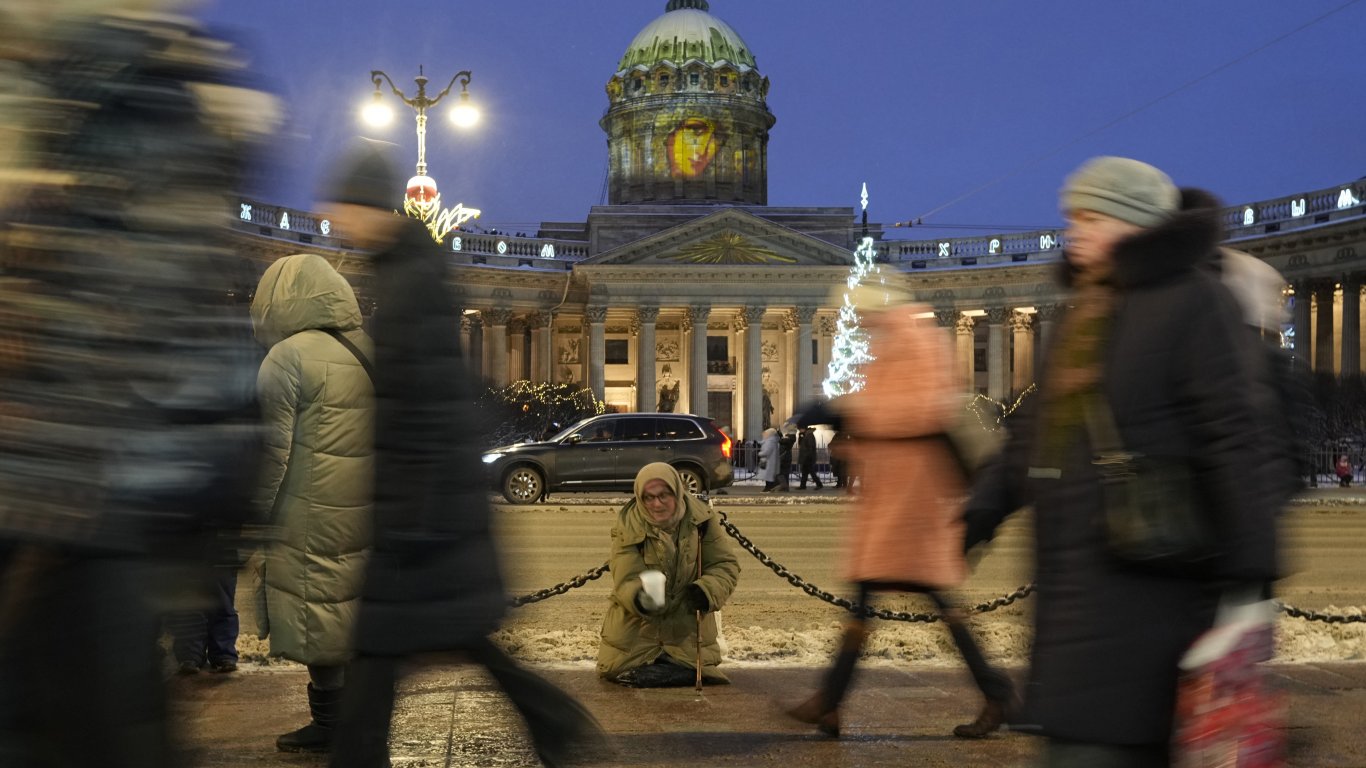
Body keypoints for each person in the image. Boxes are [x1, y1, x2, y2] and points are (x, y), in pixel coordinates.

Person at [0, 5, 274, 766]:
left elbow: (155, 328)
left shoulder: (131, 101)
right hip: (84, 518)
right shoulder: (156, 95)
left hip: (78, 520)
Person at [962, 157, 1281, 766]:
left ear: (1134, 224)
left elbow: (1237, 439)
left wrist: (1249, 585)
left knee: (1102, 744)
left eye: (1090, 217)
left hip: (1151, 584)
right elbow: (1036, 427)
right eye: (1070, 216)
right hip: (1079, 586)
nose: (1071, 231)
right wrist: (983, 506)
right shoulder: (1084, 310)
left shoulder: (1196, 301)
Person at [318, 140, 603, 768]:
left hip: (422, 509)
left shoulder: (409, 279)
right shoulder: (411, 270)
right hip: (429, 503)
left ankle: (549, 721)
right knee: (451, 639)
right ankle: (552, 722)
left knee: (387, 645)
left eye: (342, 207)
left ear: (369, 206)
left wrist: (406, 510)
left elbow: (423, 403)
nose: (336, 222)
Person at [785, 291, 1015, 740]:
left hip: (913, 505)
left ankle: (994, 691)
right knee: (874, 601)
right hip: (896, 501)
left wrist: (843, 409)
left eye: (864, 312)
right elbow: (889, 414)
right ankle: (831, 703)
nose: (860, 322)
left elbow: (916, 409)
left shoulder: (915, 340)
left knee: (900, 602)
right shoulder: (890, 343)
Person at [248, 253, 375, 753]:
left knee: (316, 620)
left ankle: (329, 723)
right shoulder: (368, 349)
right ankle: (359, 720)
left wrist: (255, 520)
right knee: (349, 613)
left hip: (309, 514)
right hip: (363, 511)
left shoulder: (287, 356)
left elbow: (270, 455)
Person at [597, 463, 740, 687]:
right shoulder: (629, 524)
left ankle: (676, 667)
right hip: (638, 628)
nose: (656, 504)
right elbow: (626, 577)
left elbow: (725, 564)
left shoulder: (701, 520)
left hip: (686, 627)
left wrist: (706, 590)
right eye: (648, 497)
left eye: (664, 495)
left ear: (677, 491)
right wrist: (640, 597)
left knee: (693, 668)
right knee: (618, 669)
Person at [777, 425, 797, 491]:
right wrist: (780, 434)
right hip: (786, 456)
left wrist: (780, 437)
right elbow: (783, 440)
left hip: (785, 457)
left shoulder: (791, 438)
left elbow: (782, 441)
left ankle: (784, 486)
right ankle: (785, 487)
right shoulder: (790, 437)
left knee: (780, 472)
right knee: (785, 473)